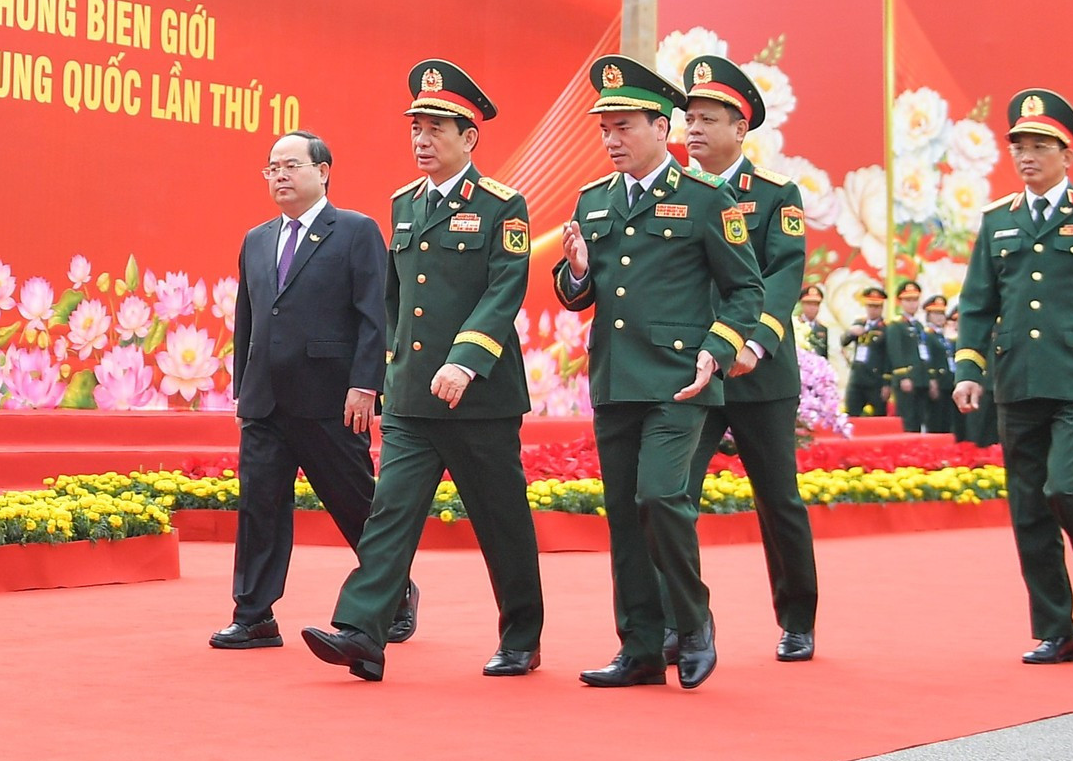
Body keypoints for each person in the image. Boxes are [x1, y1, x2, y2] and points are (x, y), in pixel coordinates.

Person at [303, 60, 543, 682]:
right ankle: (362, 634)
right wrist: (384, 373)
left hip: (479, 399)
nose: (422, 139)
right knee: (390, 514)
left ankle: (521, 636)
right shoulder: (404, 204)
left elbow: (503, 289)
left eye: (437, 128)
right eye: (416, 127)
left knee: (500, 520)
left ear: (470, 137)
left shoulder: (502, 205)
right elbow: (394, 298)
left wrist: (464, 363)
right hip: (412, 396)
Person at [555, 54, 762, 691]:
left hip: (681, 379)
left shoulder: (706, 199)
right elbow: (575, 295)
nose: (612, 139)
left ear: (661, 125)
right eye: (605, 129)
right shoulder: (593, 200)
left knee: (660, 498)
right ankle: (640, 648)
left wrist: (718, 349)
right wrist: (578, 271)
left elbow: (745, 290)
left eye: (625, 126)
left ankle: (694, 624)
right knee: (623, 514)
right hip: (617, 378)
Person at [952, 89, 1073, 664]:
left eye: (1040, 147)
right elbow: (978, 303)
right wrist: (969, 368)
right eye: (1020, 148)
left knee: (1065, 486)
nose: (1027, 157)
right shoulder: (997, 221)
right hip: (1018, 380)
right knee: (1029, 506)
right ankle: (1057, 630)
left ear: (1068, 154)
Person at [213, 130, 415, 650]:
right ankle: (253, 614)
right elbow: (248, 318)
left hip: (331, 398)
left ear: (323, 171)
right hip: (265, 401)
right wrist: (243, 391)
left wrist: (366, 384)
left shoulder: (354, 231)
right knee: (260, 505)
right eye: (271, 168)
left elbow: (376, 315)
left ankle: (393, 593)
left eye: (291, 165)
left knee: (352, 502)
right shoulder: (256, 239)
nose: (279, 175)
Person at [660, 53, 819, 662]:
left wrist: (754, 343)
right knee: (672, 496)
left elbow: (782, 276)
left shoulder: (777, 193)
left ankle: (797, 618)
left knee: (777, 498)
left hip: (758, 373)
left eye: (707, 119)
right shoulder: (674, 192)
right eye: (689, 119)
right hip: (691, 372)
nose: (692, 130)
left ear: (740, 127)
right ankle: (682, 622)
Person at [884, 281, 927, 432]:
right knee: (907, 419)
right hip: (907, 377)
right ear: (900, 302)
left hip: (920, 378)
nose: (912, 304)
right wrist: (903, 376)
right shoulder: (896, 325)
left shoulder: (919, 326)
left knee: (920, 419)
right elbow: (896, 352)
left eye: (915, 300)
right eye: (908, 300)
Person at [842, 286, 889, 418]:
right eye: (870, 306)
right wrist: (851, 332)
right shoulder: (859, 322)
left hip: (876, 378)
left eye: (876, 306)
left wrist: (886, 383)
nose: (872, 310)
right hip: (857, 377)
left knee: (878, 418)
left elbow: (889, 356)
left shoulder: (886, 327)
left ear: (881, 308)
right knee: (851, 415)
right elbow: (843, 341)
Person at [921, 295, 957, 434]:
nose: (940, 318)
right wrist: (932, 379)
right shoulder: (927, 335)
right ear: (928, 316)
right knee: (935, 419)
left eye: (942, 314)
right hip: (937, 381)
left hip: (948, 381)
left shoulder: (942, 336)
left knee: (946, 420)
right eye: (936, 314)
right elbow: (926, 359)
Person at [796, 283, 830, 358]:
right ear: (802, 304)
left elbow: (824, 354)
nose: (812, 308)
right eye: (809, 304)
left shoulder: (822, 328)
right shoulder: (795, 325)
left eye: (815, 304)